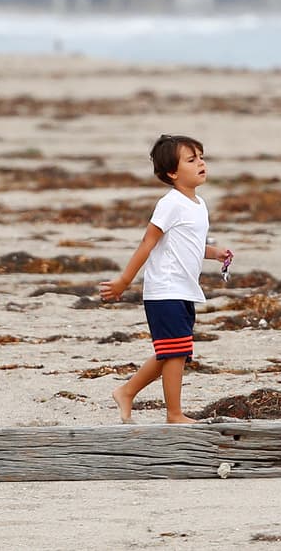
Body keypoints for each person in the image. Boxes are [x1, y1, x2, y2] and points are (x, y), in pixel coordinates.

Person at [98, 134, 233, 425]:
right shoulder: (170, 203)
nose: (201, 163)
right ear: (172, 172)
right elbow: (148, 242)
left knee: (173, 351)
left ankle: (126, 391)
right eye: (191, 160)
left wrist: (214, 253)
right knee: (175, 352)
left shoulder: (199, 204)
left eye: (201, 157)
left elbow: (189, 245)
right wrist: (124, 281)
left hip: (184, 289)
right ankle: (174, 414)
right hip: (165, 290)